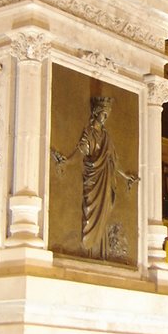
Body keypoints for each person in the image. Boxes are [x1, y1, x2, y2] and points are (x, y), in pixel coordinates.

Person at [52, 96, 138, 260]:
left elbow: (114, 161)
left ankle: (97, 250)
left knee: (104, 214)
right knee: (89, 212)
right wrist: (66, 160)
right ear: (97, 112)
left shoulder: (107, 137)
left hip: (105, 180)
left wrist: (127, 176)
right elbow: (80, 152)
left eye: (107, 115)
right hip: (93, 181)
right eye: (104, 114)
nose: (106, 118)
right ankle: (87, 247)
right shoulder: (89, 133)